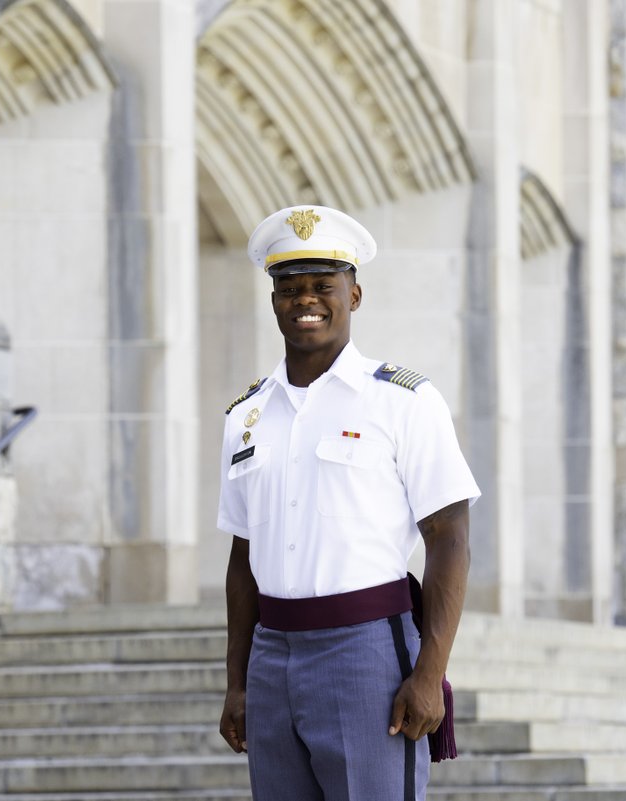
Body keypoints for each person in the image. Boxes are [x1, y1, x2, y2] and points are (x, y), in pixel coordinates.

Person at [216, 205, 480, 801]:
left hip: (364, 653)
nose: (304, 300)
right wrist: (237, 682)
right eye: (289, 288)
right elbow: (242, 559)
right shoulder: (246, 417)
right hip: (272, 656)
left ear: (354, 295)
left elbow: (450, 539)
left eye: (322, 286)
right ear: (274, 299)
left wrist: (429, 673)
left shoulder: (403, 401)